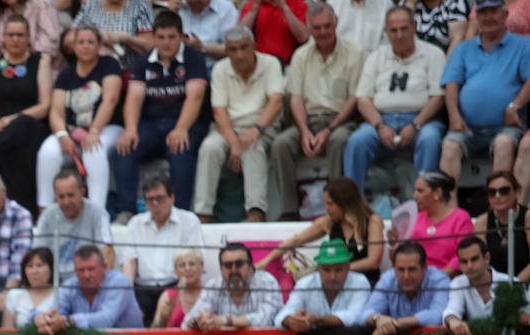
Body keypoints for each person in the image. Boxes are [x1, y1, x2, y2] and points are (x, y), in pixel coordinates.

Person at [113, 10, 210, 219]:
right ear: (154, 38)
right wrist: (130, 129)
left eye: (171, 37)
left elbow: (195, 97)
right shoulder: (143, 60)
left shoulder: (194, 59)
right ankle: (126, 211)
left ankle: (181, 213)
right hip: (152, 124)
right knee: (124, 148)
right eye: (161, 37)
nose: (166, 43)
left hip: (187, 122)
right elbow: (134, 97)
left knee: (179, 147)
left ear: (182, 37)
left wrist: (182, 128)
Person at [270, 4, 363, 221]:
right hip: (307, 120)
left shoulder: (354, 53)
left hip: (341, 120)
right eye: (317, 27)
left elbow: (354, 99)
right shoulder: (300, 56)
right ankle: (289, 211)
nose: (322, 32)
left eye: (327, 26)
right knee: (281, 144)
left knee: (340, 140)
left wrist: (329, 130)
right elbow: (296, 98)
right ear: (309, 27)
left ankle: (338, 206)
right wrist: (303, 131)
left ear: (336, 24)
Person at [343, 6, 446, 192]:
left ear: (414, 27)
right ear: (386, 32)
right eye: (393, 30)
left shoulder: (433, 54)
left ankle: (425, 203)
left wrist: (415, 125)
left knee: (430, 138)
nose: (399, 35)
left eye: (404, 29)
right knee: (358, 140)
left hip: (422, 120)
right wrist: (380, 126)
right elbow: (363, 99)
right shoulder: (376, 57)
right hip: (382, 120)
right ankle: (354, 205)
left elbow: (437, 98)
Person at [193, 26, 284, 224]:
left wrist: (256, 129)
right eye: (233, 49)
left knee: (252, 146)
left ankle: (256, 211)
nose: (240, 54)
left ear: (254, 46)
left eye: (244, 47)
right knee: (209, 148)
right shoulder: (220, 69)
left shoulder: (270, 64)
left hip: (262, 125)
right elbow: (219, 110)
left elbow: (276, 101)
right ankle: (203, 213)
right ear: (226, 51)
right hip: (228, 127)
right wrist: (233, 142)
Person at [0, 14, 52, 214]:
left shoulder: (40, 62)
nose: (15, 39)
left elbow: (45, 105)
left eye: (20, 35)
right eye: (11, 35)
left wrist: (12, 120)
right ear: (2, 37)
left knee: (22, 124)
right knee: (5, 147)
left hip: (31, 129)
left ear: (28, 37)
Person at [439, 0, 530, 185]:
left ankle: (499, 211)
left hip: (506, 127)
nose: (488, 17)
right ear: (476, 17)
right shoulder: (464, 48)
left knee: (503, 144)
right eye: (483, 12)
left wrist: (515, 105)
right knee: (449, 147)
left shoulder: (524, 45)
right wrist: (454, 116)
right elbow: (451, 84)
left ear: (505, 15)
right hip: (467, 128)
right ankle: (448, 212)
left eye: (493, 12)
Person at [35, 24, 123, 212]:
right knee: (47, 152)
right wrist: (61, 134)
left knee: (94, 148)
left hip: (108, 127)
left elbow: (110, 101)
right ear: (73, 47)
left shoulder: (109, 64)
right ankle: (45, 210)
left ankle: (97, 211)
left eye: (90, 42)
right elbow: (56, 111)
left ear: (99, 45)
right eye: (81, 42)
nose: (85, 46)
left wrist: (94, 131)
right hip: (72, 130)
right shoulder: (66, 73)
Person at [256, 177, 385, 284]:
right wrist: (266, 260)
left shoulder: (372, 221)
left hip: (365, 281)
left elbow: (373, 262)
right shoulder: (328, 222)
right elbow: (296, 240)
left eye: (330, 204)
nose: (326, 208)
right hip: (336, 283)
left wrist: (336, 269)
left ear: (344, 203)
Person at [122, 174, 205, 324]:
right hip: (143, 288)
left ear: (172, 198)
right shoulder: (135, 223)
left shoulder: (189, 221)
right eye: (150, 199)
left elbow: (194, 259)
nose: (154, 203)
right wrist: (128, 297)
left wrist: (177, 294)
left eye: (159, 198)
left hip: (176, 284)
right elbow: (129, 263)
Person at [35, 243, 144, 333]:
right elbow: (53, 310)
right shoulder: (70, 285)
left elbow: (106, 319)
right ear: (75, 271)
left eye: (91, 269)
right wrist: (44, 318)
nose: (86, 275)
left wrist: (69, 321)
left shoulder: (119, 282)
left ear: (104, 267)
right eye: (81, 270)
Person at [33, 168, 113, 282]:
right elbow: (37, 253)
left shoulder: (98, 213)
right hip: (55, 281)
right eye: (61, 197)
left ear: (82, 192)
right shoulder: (47, 215)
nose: (66, 202)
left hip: (88, 279)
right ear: (55, 196)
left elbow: (107, 251)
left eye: (70, 195)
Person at [361, 240, 450, 335]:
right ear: (394, 268)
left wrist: (395, 323)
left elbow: (439, 315)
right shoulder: (387, 279)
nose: (406, 276)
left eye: (412, 269)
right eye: (400, 270)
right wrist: (377, 319)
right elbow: (364, 315)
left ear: (424, 268)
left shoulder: (439, 280)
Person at [274, 237, 371, 330]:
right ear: (318, 269)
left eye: (338, 270)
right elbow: (282, 315)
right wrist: (291, 321)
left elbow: (356, 316)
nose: (332, 276)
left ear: (348, 267)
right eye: (326, 270)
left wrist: (317, 320)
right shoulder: (305, 284)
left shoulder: (360, 282)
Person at [182, 241, 283, 329]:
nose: (234, 270)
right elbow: (186, 323)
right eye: (228, 265)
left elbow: (265, 321)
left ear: (251, 266)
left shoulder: (266, 282)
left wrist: (225, 321)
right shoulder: (214, 285)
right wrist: (200, 321)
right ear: (221, 270)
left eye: (239, 264)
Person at [399, 170, 473, 275]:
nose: (414, 195)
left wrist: (438, 278)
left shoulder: (461, 218)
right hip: (415, 279)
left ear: (437, 193)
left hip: (449, 280)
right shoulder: (416, 218)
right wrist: (393, 245)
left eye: (420, 191)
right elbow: (404, 255)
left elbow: (463, 255)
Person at [443, 235, 515, 335]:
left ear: (486, 258)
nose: (469, 266)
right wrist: (453, 320)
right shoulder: (458, 282)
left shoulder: (511, 283)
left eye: (474, 259)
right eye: (464, 261)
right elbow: (452, 310)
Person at [475, 170, 530, 283]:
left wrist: (515, 284)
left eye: (504, 191)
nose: (498, 196)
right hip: (495, 286)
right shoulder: (482, 222)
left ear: (517, 192)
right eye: (492, 192)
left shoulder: (527, 217)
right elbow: (479, 261)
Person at [69, 0, 155, 69]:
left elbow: (150, 46)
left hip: (127, 69)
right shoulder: (90, 4)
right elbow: (69, 39)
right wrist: (95, 38)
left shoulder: (139, 5)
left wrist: (125, 38)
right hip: (91, 69)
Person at [0, 0, 62, 71]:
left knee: (44, 60)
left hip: (39, 65)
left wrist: (25, 60)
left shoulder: (41, 5)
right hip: (6, 67)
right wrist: (2, 67)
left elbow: (50, 42)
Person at [171, 0, 240, 70]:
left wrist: (202, 47)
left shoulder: (225, 9)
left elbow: (234, 49)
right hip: (179, 66)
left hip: (212, 68)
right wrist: (170, 14)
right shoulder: (177, 7)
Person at [238, 0, 309, 65]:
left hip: (288, 64)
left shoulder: (297, 4)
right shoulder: (252, 4)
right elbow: (239, 36)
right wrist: (254, 10)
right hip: (259, 63)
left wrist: (284, 8)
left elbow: (303, 38)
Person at [2, 245, 56, 326]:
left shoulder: (61, 295)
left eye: (39, 265)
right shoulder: (15, 295)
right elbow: (6, 331)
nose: (34, 271)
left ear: (51, 268)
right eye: (30, 266)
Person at [151, 247, 205, 327]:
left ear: (202, 266)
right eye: (182, 265)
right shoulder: (168, 296)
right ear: (175, 271)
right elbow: (153, 333)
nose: (187, 268)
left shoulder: (211, 294)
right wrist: (162, 320)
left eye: (192, 264)